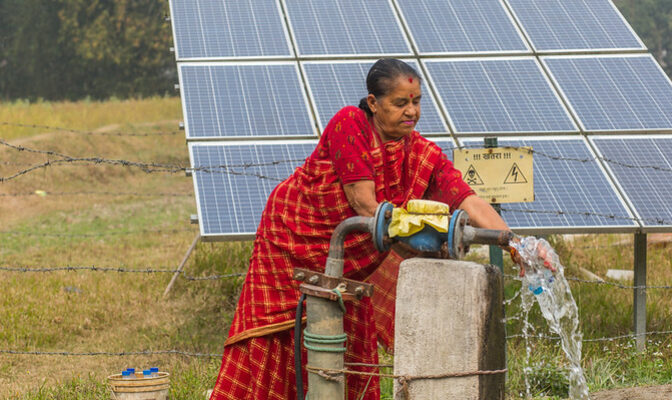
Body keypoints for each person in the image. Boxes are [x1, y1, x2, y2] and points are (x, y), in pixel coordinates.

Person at [209, 59, 520, 400]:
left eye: (416, 102)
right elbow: (364, 205)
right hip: (291, 241)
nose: (411, 112)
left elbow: (467, 200)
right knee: (278, 341)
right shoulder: (350, 124)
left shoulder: (421, 153)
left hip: (350, 260)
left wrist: (513, 242)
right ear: (373, 103)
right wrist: (410, 243)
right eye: (400, 103)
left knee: (348, 337)